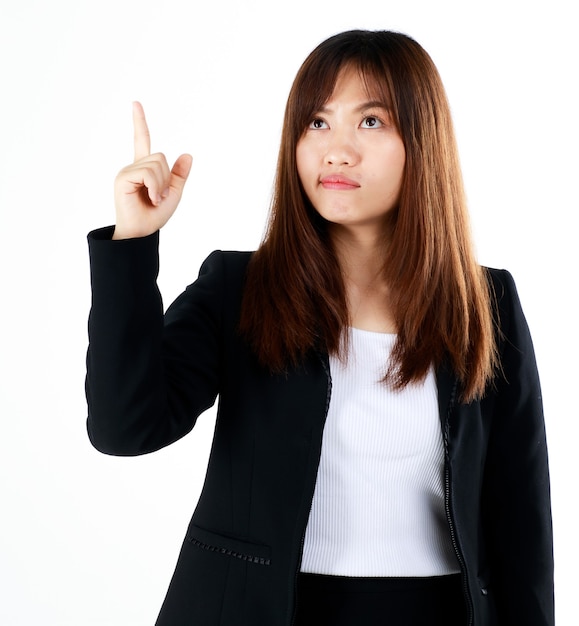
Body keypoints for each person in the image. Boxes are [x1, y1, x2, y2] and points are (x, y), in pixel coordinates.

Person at [85, 29, 554, 626]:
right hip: (262, 610)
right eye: (317, 123)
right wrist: (133, 242)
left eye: (371, 122)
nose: (336, 150)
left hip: (434, 612)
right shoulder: (239, 289)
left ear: (423, 140)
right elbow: (124, 427)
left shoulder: (485, 302)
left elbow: (521, 520)